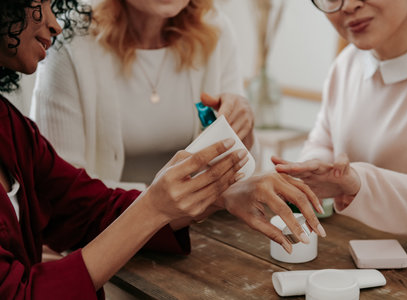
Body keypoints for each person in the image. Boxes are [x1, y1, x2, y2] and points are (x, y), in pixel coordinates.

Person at [0, 1, 326, 298]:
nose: (55, 24)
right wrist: (156, 206)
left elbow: (86, 207)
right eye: (39, 4)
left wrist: (218, 196)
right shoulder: (72, 45)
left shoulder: (10, 126)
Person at [30, 0, 256, 191]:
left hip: (200, 224)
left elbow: (240, 172)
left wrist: (244, 128)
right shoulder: (70, 42)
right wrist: (170, 205)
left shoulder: (216, 30)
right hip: (101, 232)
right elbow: (59, 191)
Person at [273, 0, 407, 242]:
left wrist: (358, 184)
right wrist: (312, 171)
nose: (349, 6)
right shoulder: (346, 64)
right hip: (349, 253)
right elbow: (323, 143)